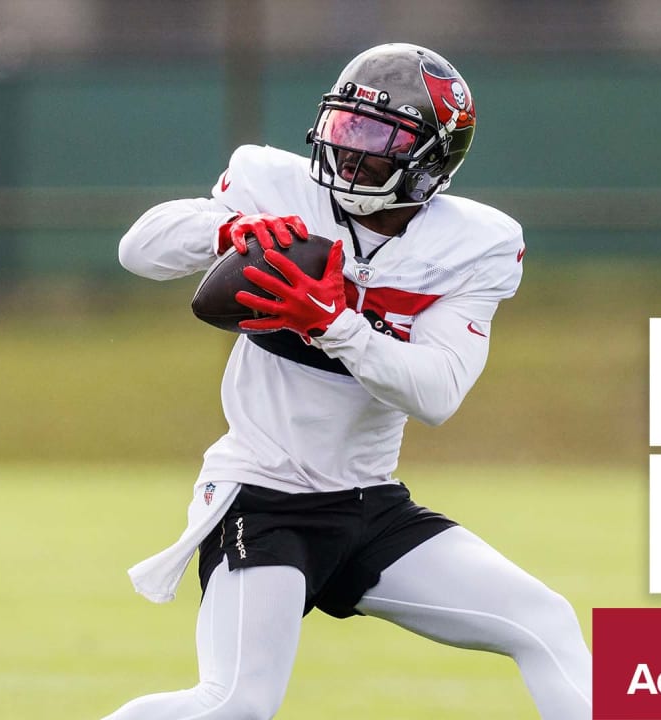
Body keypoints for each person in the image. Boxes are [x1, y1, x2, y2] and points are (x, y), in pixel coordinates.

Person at [105, 42, 591, 720]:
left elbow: (437, 393)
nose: (349, 149)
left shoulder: (475, 245)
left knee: (547, 623)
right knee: (235, 704)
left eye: (377, 135)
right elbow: (139, 250)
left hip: (370, 505)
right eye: (345, 125)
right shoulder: (276, 183)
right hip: (264, 499)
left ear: (431, 160)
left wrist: (336, 323)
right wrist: (227, 231)